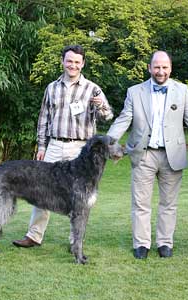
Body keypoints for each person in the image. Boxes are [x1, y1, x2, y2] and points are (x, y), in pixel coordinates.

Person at [107, 50, 188, 259]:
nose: (160, 71)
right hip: (143, 155)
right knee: (140, 203)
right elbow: (124, 119)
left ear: (170, 69)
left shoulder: (182, 90)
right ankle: (141, 244)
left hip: (173, 155)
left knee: (169, 204)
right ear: (149, 68)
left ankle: (165, 243)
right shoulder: (134, 91)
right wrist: (107, 142)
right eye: (156, 67)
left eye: (164, 67)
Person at [13, 45, 113, 248]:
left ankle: (74, 242)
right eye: (69, 61)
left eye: (77, 62)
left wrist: (101, 105)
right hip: (55, 145)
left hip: (81, 150)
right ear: (63, 61)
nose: (73, 65)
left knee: (80, 198)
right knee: (40, 189)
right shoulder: (52, 87)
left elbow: (107, 116)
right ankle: (34, 235)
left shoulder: (93, 88)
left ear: (83, 64)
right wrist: (41, 146)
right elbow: (43, 119)